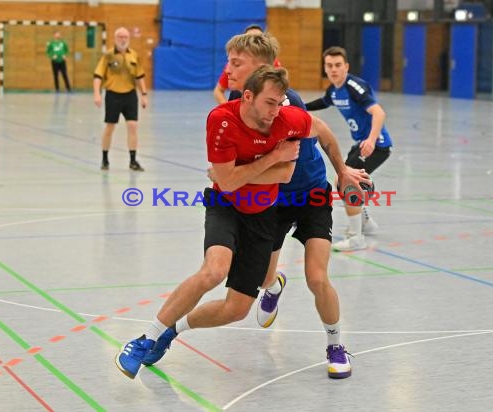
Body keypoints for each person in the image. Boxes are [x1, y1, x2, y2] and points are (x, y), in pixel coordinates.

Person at [116, 64, 327, 380]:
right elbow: (227, 183)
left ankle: (171, 332)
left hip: (263, 215)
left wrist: (344, 168)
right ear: (248, 96)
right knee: (214, 270)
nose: (275, 111)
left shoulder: (288, 118)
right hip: (225, 205)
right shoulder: (222, 120)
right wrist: (271, 159)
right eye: (270, 103)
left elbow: (294, 165)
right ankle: (143, 339)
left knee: (238, 309)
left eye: (280, 103)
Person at [221, 34, 370, 379]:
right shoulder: (234, 102)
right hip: (272, 201)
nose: (228, 69)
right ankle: (273, 287)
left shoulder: (289, 102)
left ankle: (335, 346)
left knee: (317, 278)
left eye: (236, 63)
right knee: (262, 279)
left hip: (312, 196)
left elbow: (322, 131)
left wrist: (343, 170)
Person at [305, 46, 393, 251]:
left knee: (344, 179)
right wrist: (299, 106)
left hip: (376, 145)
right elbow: (323, 102)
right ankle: (365, 221)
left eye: (338, 65)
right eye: (329, 66)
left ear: (346, 67)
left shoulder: (355, 86)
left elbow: (379, 113)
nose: (334, 69)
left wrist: (371, 140)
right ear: (325, 68)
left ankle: (356, 237)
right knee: (344, 177)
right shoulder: (334, 90)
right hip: (360, 144)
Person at [93, 27, 147, 172]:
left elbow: (140, 76)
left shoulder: (134, 55)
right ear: (115, 38)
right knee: (110, 127)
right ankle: (105, 158)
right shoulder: (108, 55)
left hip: (130, 95)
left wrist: (144, 95)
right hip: (113, 95)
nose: (123, 39)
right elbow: (98, 76)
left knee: (132, 126)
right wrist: (97, 94)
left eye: (125, 37)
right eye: (120, 37)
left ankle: (133, 160)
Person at [212, 24, 281, 104]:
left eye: (257, 39)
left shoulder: (286, 100)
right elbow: (218, 91)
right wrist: (227, 110)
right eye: (248, 38)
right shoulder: (235, 92)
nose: (228, 71)